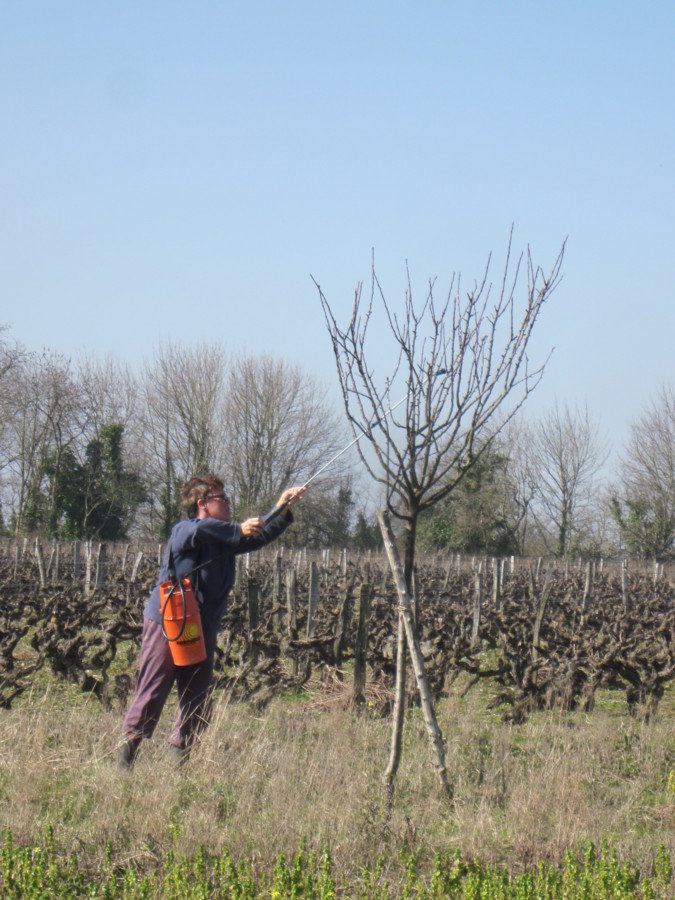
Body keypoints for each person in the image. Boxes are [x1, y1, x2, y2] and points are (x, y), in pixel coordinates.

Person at [118, 474, 304, 769]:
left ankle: (179, 766)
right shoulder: (184, 530)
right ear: (202, 504)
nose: (229, 503)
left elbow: (258, 536)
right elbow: (201, 532)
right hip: (169, 622)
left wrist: (282, 507)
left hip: (201, 628)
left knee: (198, 698)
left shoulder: (226, 539)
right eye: (223, 498)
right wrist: (237, 529)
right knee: (153, 691)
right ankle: (124, 764)